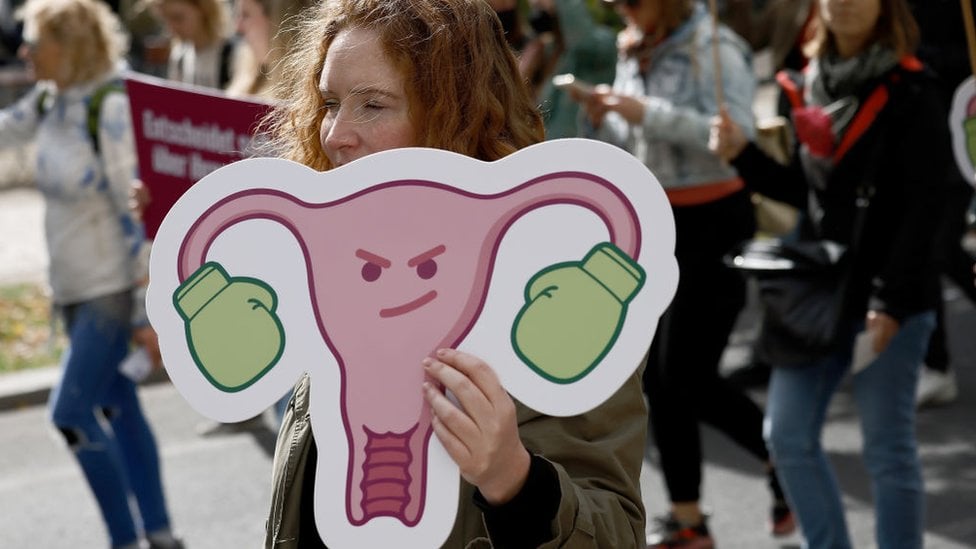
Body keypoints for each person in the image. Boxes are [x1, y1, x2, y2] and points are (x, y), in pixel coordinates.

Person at [260, 0, 648, 546]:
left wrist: (512, 478)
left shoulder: (560, 294)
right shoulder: (336, 271)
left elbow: (616, 532)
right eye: (329, 102)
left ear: (458, 114)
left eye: (373, 104)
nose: (335, 134)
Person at [710, 0, 950, 547]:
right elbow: (807, 193)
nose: (842, 2)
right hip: (820, 291)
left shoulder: (913, 89)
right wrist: (743, 155)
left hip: (890, 295)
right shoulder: (809, 82)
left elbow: (925, 210)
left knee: (887, 450)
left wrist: (889, 302)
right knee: (787, 436)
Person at [573, 1, 794, 546]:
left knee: (684, 376)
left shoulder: (715, 48)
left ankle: (787, 456)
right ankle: (690, 520)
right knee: (661, 382)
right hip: (656, 225)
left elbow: (734, 136)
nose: (623, 9)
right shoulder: (633, 46)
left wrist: (642, 110)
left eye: (633, 1)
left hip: (715, 221)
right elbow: (628, 151)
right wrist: (598, 119)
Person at [0, 0, 183, 547]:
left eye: (37, 41)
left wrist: (144, 306)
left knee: (71, 411)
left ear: (71, 46)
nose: (25, 51)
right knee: (118, 405)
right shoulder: (53, 99)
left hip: (110, 291)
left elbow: (141, 215)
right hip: (73, 287)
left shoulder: (110, 105)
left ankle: (125, 539)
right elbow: (6, 134)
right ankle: (161, 534)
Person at [908, 0, 976, 408]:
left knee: (937, 247)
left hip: (962, 131)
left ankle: (936, 364)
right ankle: (936, 364)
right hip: (918, 133)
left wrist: (921, 59)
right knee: (933, 249)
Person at [524, 0, 618, 139]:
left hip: (582, 151)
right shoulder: (549, 51)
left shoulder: (603, 43)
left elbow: (583, 42)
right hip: (549, 151)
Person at [144, 0, 236, 89]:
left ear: (202, 9)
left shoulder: (231, 54)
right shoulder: (179, 54)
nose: (171, 29)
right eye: (166, 20)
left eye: (178, 18)